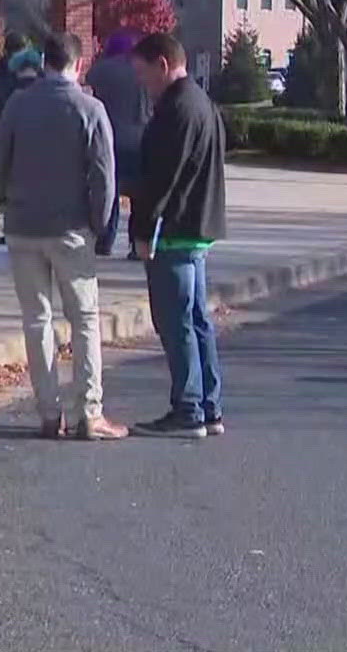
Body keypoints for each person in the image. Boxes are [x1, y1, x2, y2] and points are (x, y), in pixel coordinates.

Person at [0, 32, 129, 442]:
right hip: (70, 228)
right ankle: (89, 411)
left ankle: (49, 413)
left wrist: (11, 193)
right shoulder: (89, 108)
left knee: (37, 320)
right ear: (78, 64)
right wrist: (100, 224)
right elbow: (104, 174)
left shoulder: (18, 103)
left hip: (22, 225)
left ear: (44, 61)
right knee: (83, 318)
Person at [128, 32, 228, 440]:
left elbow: (160, 177)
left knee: (176, 321)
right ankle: (208, 405)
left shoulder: (177, 110)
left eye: (144, 73)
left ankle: (188, 408)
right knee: (197, 319)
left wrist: (142, 228)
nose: (142, 82)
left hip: (175, 229)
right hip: (198, 226)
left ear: (163, 64)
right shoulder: (201, 103)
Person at [86, 29, 152, 257]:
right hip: (139, 137)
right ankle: (136, 243)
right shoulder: (140, 70)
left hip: (108, 137)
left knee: (108, 189)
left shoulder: (100, 70)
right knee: (141, 195)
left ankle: (105, 239)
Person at [0, 33, 40, 244]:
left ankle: (11, 227)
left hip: (1, 127)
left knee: (7, 181)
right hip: (31, 130)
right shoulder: (34, 74)